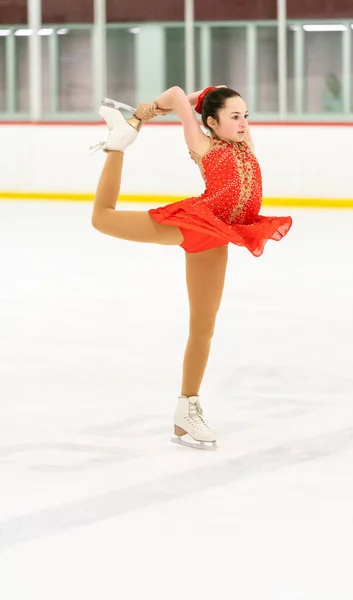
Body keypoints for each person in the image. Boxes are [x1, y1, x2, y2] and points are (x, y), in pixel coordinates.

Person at [90, 85, 292, 450]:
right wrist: (148, 112)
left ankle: (188, 406)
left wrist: (205, 97)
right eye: (234, 116)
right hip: (193, 224)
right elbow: (177, 94)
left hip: (218, 237)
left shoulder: (246, 145)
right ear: (212, 122)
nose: (244, 122)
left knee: (203, 327)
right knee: (103, 219)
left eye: (246, 115)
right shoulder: (202, 144)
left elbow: (205, 94)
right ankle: (117, 145)